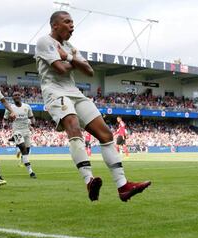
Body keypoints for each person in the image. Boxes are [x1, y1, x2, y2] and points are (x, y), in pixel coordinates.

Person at [35, 11, 151, 202]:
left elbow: (89, 71)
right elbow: (61, 69)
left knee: (105, 134)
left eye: (73, 22)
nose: (72, 25)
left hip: (74, 91)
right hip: (54, 92)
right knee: (72, 124)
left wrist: (70, 58)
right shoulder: (44, 42)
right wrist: (74, 62)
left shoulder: (70, 47)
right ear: (55, 25)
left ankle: (123, 186)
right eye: (67, 22)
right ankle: (89, 179)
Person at [3, 91, 37, 178]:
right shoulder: (10, 108)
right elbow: (5, 119)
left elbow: (31, 117)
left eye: (18, 95)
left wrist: (33, 122)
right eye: (15, 95)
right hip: (17, 131)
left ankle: (15, 141)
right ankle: (31, 172)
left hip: (26, 131)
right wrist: (5, 124)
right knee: (23, 148)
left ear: (21, 96)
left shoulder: (27, 107)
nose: (17, 96)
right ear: (13, 98)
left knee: (27, 151)